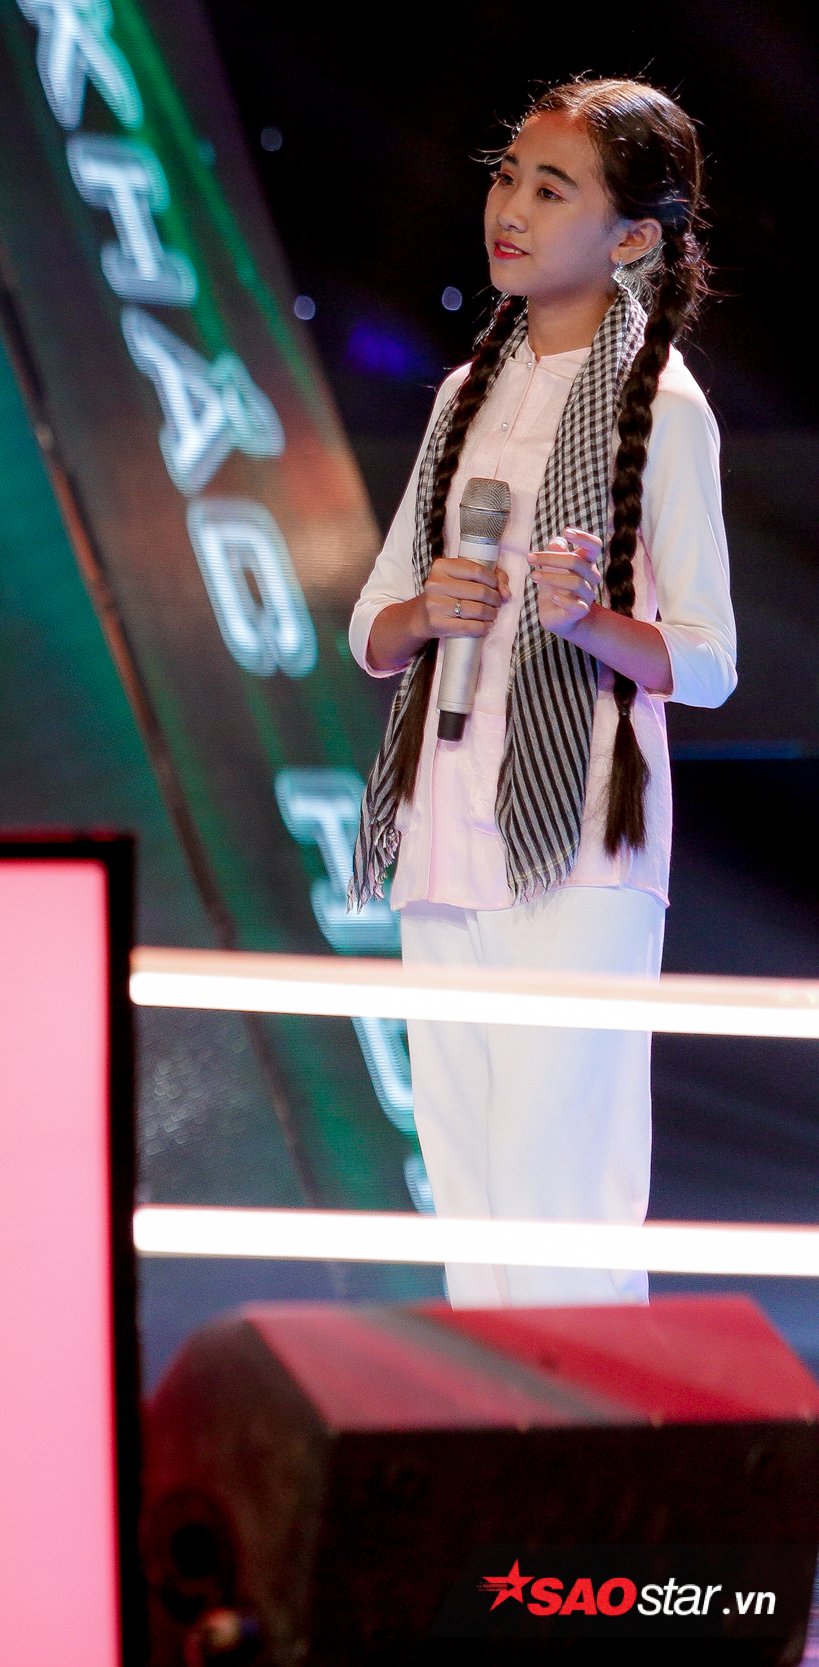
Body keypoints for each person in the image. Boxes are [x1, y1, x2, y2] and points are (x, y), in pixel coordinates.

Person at [348, 80, 735, 1308]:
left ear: (631, 238)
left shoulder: (661, 407)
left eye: (550, 189)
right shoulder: (465, 392)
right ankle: (490, 1426)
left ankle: (590, 1425)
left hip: (578, 843)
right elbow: (372, 624)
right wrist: (427, 610)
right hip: (442, 828)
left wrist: (588, 622)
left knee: (557, 1187)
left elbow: (710, 660)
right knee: (467, 1189)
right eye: (507, 176)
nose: (508, 209)